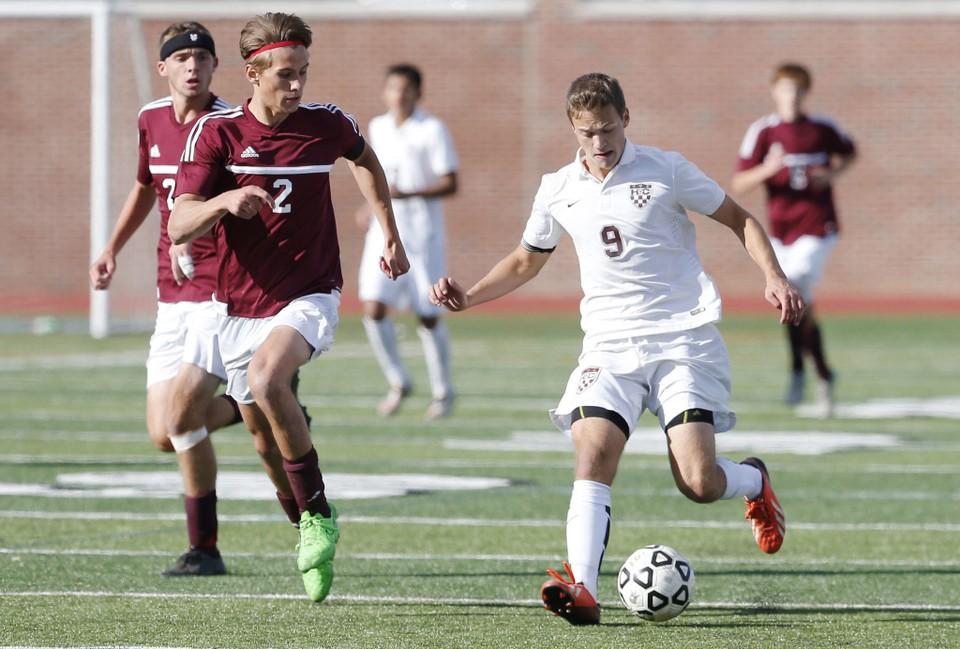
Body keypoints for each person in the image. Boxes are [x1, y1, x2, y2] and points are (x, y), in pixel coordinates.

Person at [431, 73, 803, 626]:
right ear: (573, 130)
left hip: (683, 338)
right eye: (587, 133)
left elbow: (740, 219)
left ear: (625, 119)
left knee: (699, 483)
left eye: (607, 129)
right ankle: (582, 588)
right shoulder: (557, 187)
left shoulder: (667, 169)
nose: (599, 142)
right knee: (594, 452)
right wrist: (471, 296)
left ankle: (753, 480)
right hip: (608, 345)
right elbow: (525, 260)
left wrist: (774, 276)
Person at [169, 12, 409, 602]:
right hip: (236, 307)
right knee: (261, 441)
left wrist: (391, 233)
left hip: (309, 292)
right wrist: (226, 200)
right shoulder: (217, 134)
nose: (297, 85)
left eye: (303, 72)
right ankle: (303, 519)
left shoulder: (326, 124)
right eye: (285, 75)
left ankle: (320, 514)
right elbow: (179, 221)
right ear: (253, 72)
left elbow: (367, 161)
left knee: (269, 379)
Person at [89, 22, 300, 577]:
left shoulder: (230, 128)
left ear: (214, 67)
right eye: (181, 58)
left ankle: (204, 548)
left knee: (183, 419)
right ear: (164, 69)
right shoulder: (150, 119)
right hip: (170, 295)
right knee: (165, 433)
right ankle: (255, 401)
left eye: (201, 58)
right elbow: (145, 188)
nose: (192, 67)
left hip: (217, 294)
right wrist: (111, 245)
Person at [731, 63, 856, 416]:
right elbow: (739, 182)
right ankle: (818, 371)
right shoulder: (763, 131)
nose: (792, 96)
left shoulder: (822, 128)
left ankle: (805, 373)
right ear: (775, 91)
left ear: (806, 93)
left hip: (817, 228)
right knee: (792, 301)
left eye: (798, 90)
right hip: (780, 231)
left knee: (795, 286)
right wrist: (768, 170)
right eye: (786, 89)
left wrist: (831, 174)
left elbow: (849, 153)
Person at [356, 63, 459, 419]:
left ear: (418, 92)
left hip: (422, 236)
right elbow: (375, 177)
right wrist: (372, 208)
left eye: (405, 88)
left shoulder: (432, 129)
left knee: (427, 314)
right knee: (372, 307)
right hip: (384, 233)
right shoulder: (377, 127)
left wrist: (407, 193)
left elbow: (451, 182)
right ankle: (399, 381)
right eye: (392, 88)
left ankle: (444, 391)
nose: (398, 95)